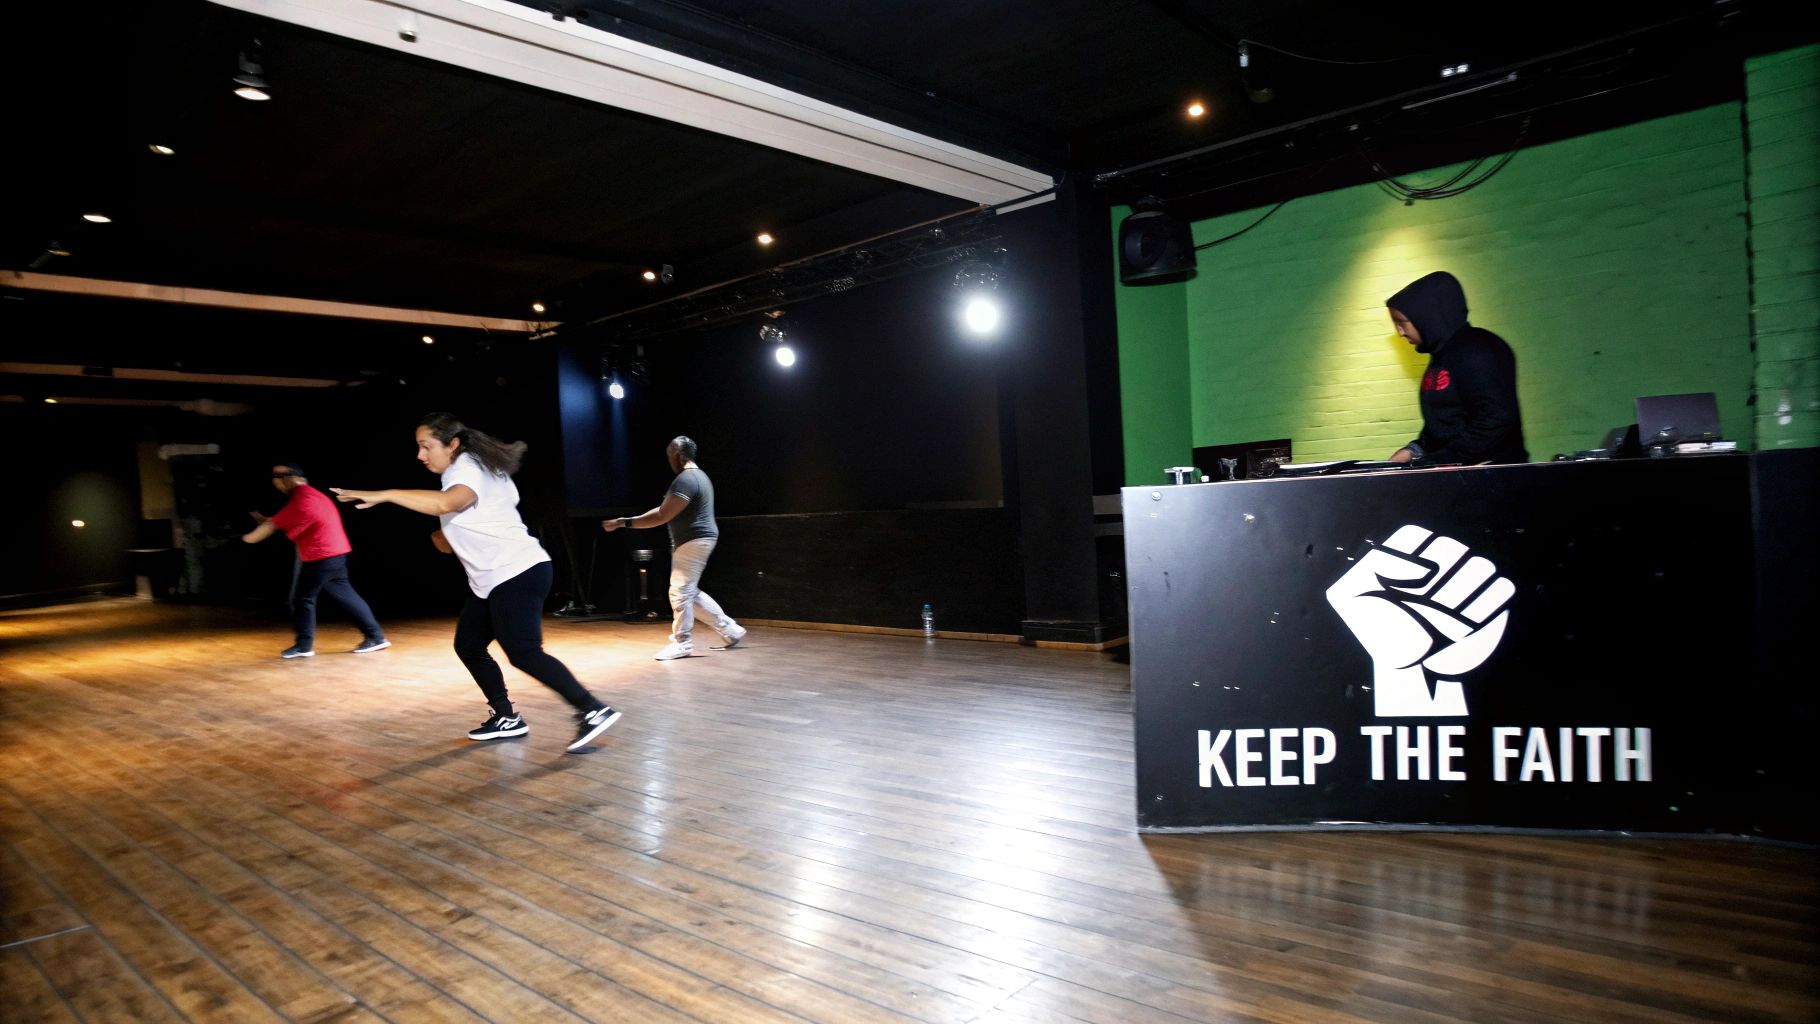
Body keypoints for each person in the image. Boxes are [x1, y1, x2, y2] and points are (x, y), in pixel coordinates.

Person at [331, 413, 621, 752]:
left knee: (524, 652)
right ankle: (506, 717)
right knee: (468, 644)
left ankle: (592, 709)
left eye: (426, 447)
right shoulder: (476, 467)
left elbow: (448, 503)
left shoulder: (465, 467)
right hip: (493, 579)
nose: (420, 455)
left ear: (452, 444)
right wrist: (446, 534)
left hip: (516, 571)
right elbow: (465, 519)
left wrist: (388, 494)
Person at [602, 435, 746, 661]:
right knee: (690, 593)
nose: (669, 461)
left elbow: (661, 515)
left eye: (670, 456)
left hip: (694, 539)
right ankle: (730, 629)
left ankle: (682, 643)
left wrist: (624, 522)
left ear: (677, 456)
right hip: (699, 539)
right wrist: (628, 519)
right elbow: (663, 509)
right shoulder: (700, 477)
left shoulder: (686, 480)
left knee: (679, 593)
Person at [242, 462, 389, 659]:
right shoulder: (311, 495)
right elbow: (286, 519)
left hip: (321, 557)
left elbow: (267, 529)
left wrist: (243, 540)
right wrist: (270, 520)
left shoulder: (300, 499)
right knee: (346, 596)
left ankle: (303, 646)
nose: (276, 484)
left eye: (278, 479)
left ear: (291, 479)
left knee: (303, 599)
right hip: (336, 554)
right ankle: (376, 637)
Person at [1386, 271, 1528, 466]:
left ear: (1427, 317)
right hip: (1462, 475)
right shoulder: (1442, 357)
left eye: (1402, 322)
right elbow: (1447, 423)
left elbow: (1497, 417)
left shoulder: (1479, 349)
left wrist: (1445, 458)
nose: (1400, 332)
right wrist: (1415, 450)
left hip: (1492, 477)